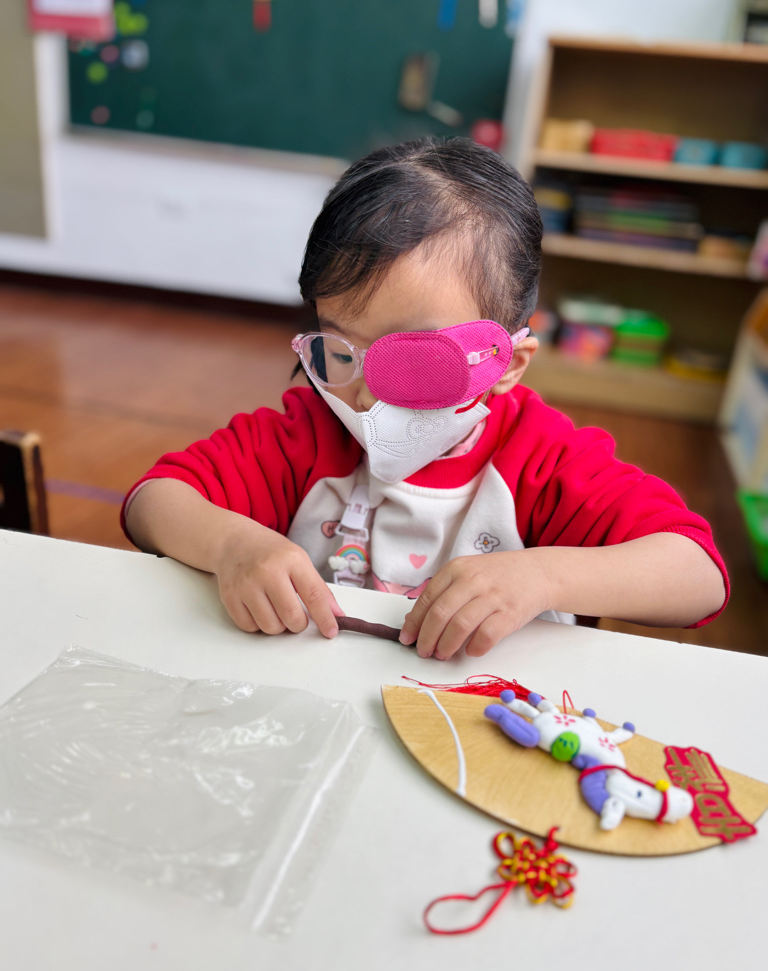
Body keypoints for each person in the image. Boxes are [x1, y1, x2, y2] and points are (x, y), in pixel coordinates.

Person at [122, 137, 728, 660]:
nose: (363, 394)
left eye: (414, 361)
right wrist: (232, 546)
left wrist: (543, 576)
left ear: (507, 365)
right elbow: (154, 501)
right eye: (338, 351)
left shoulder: (540, 460)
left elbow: (698, 574)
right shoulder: (306, 433)